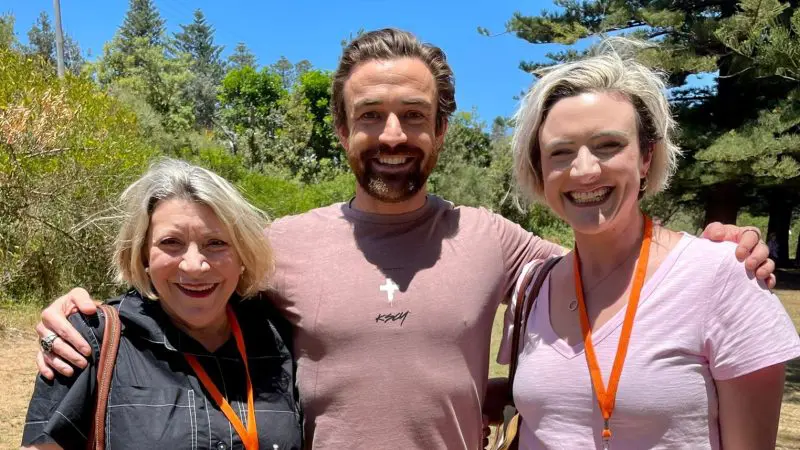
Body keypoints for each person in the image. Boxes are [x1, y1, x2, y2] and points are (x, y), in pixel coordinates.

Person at [32, 29, 776, 449]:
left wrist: (719, 247)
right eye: (371, 116)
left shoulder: (498, 242)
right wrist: (79, 317)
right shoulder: (278, 244)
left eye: (414, 116)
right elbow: (182, 284)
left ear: (443, 129)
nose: (393, 135)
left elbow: (615, 258)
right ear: (341, 130)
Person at [496, 39, 800, 449]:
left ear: (645, 157)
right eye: (561, 152)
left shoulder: (723, 276)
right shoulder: (533, 288)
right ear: (540, 169)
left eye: (608, 145)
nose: (584, 170)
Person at [21, 159, 302, 450]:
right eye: (171, 243)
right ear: (143, 255)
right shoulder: (91, 340)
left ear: (242, 254)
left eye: (216, 243)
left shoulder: (276, 337)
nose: (194, 266)